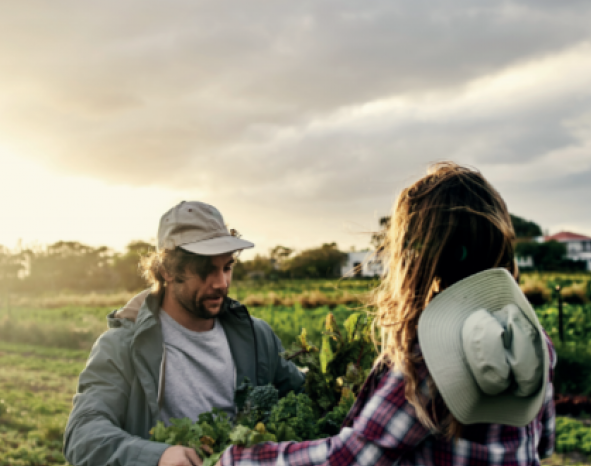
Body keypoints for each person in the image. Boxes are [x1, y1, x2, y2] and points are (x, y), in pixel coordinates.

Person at [218, 162, 556, 465]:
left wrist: (239, 460)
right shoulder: (532, 337)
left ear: (420, 255)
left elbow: (352, 459)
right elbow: (543, 444)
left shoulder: (433, 352)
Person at [63, 201, 305, 466]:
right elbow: (82, 435)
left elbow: (305, 397)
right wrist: (157, 457)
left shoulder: (259, 337)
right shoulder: (121, 346)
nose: (221, 283)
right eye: (205, 270)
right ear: (166, 270)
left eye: (227, 267)